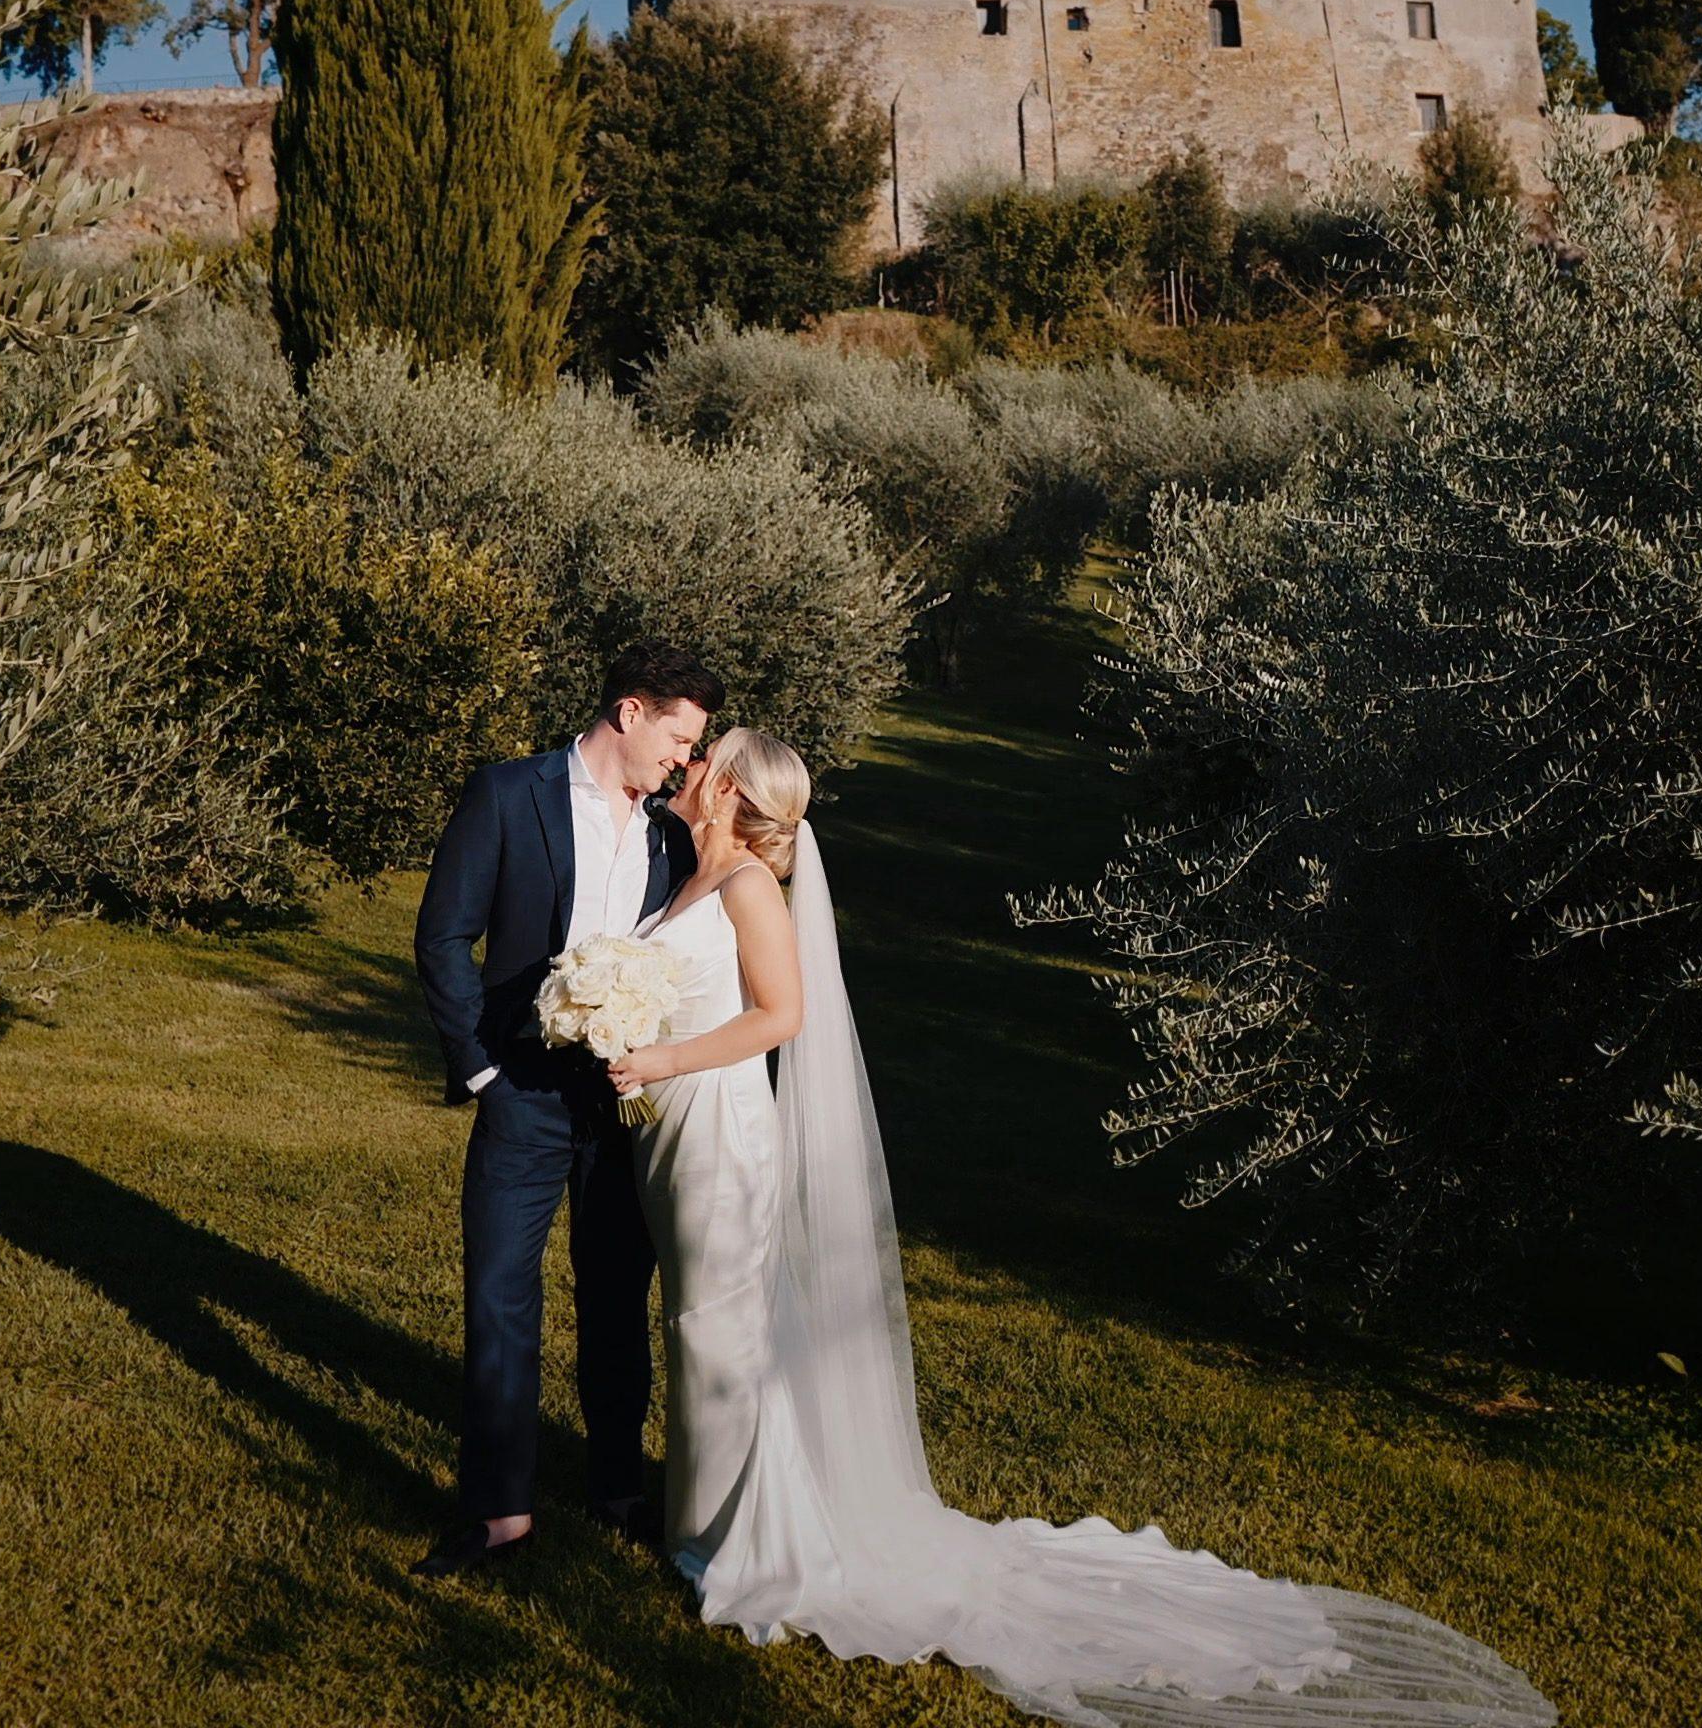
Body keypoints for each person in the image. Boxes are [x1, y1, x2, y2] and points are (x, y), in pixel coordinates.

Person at [603, 729, 1558, 1728]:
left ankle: (735, 1541)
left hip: (720, 1132)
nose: (690, 764)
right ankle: (707, 1516)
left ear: (726, 786)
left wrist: (661, 1062)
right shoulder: (696, 870)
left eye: (704, 757)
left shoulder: (749, 887)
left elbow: (782, 1016)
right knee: (703, 1324)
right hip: (676, 1131)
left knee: (718, 1327)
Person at [407, 641, 723, 1580]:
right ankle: (500, 1512)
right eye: (679, 737)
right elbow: (443, 936)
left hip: (626, 1101)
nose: (686, 760)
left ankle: (618, 1489)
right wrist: (482, 1074)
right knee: (500, 1295)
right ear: (630, 712)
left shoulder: (671, 834)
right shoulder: (510, 794)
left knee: (619, 1296)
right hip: (523, 1094)